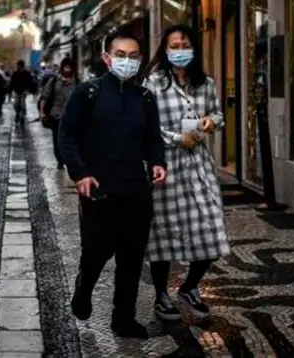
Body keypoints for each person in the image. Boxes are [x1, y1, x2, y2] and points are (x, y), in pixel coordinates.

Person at [57, 30, 167, 338]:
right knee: (96, 251)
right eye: (121, 55)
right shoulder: (86, 93)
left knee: (131, 255)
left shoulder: (145, 98)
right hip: (97, 187)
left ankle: (123, 318)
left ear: (141, 60)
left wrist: (158, 162)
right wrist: (80, 173)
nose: (127, 61)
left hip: (135, 188)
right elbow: (66, 136)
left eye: (133, 56)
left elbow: (153, 140)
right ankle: (84, 286)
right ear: (107, 58)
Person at [142, 24, 230, 322]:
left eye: (185, 45)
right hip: (165, 168)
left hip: (200, 168)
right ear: (165, 50)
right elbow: (147, 127)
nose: (181, 51)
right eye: (175, 45)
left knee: (212, 229)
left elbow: (219, 115)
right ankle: (161, 295)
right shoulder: (153, 84)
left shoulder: (206, 83)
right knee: (163, 235)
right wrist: (179, 138)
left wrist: (210, 122)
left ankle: (190, 286)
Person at [39, 57, 78, 169]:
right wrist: (42, 112)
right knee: (57, 139)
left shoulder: (77, 82)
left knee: (71, 139)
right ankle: (60, 161)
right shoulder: (54, 81)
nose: (67, 70)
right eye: (65, 67)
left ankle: (69, 159)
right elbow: (44, 97)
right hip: (56, 115)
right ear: (62, 68)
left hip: (72, 116)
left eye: (70, 67)